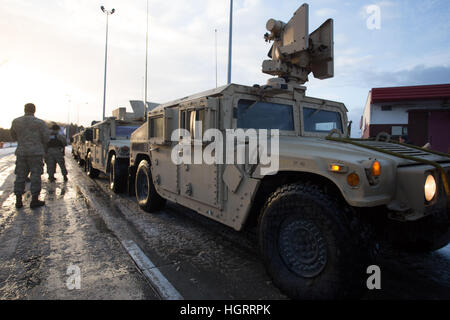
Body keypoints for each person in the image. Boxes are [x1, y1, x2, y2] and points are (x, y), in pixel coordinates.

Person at [10, 103, 50, 209]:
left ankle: (18, 200)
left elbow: (13, 137)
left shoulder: (16, 121)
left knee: (20, 176)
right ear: (34, 110)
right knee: (35, 176)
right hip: (36, 153)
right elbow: (46, 138)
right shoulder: (40, 123)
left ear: (24, 109)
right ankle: (34, 200)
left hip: (22, 153)